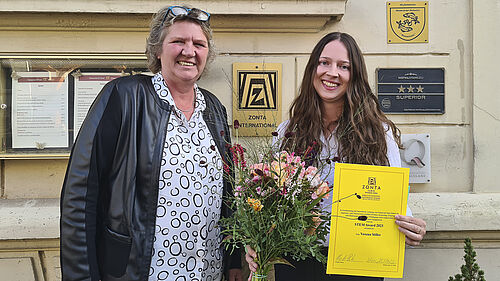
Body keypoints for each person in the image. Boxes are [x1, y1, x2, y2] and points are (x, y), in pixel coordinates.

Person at [60, 5, 242, 281]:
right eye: (178, 41)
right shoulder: (124, 97)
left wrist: (233, 261)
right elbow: (80, 193)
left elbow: (227, 196)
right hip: (143, 272)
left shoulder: (214, 109)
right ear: (158, 49)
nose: (189, 51)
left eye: (199, 44)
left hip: (208, 272)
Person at [245, 32, 426, 281]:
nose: (332, 72)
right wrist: (256, 241)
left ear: (355, 76)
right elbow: (270, 200)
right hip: (297, 260)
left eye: (344, 66)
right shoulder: (289, 131)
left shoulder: (377, 134)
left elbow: (395, 202)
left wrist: (411, 227)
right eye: (324, 62)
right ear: (312, 69)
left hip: (357, 263)